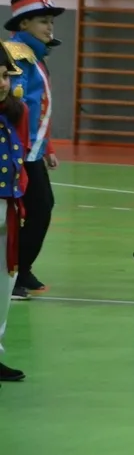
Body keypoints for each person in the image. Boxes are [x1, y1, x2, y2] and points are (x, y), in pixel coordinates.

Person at [5, 0, 62, 300]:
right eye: (43, 21)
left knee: (40, 208)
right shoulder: (16, 55)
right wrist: (21, 148)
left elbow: (39, 108)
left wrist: (47, 146)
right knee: (32, 210)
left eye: (51, 21)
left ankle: (21, 268)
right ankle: (13, 273)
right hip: (17, 150)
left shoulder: (33, 56)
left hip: (31, 150)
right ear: (23, 23)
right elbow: (15, 106)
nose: (49, 27)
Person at [0, 42, 30, 386]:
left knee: (3, 282)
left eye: (5, 75)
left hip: (7, 206)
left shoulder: (16, 112)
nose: (2, 82)